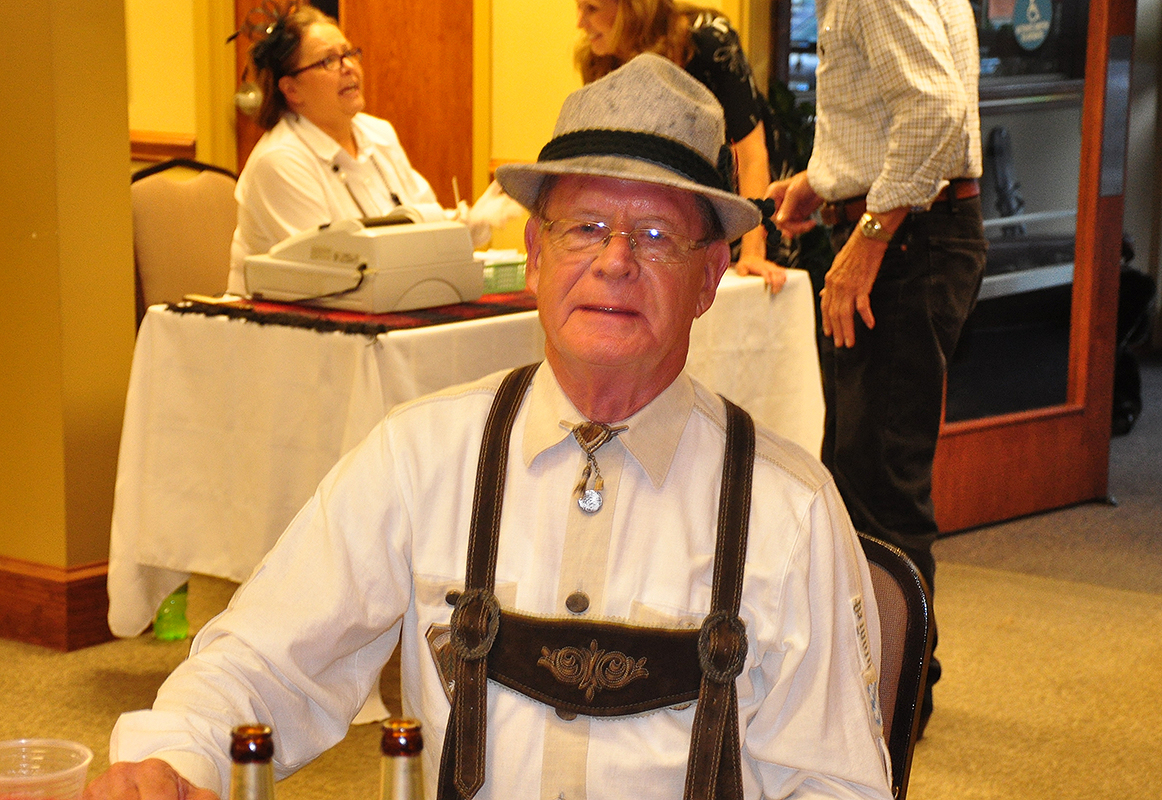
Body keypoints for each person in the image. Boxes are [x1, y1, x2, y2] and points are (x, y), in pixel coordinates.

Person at [85, 54, 892, 800]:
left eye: (654, 236)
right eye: (583, 228)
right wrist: (173, 755)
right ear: (535, 255)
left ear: (711, 276)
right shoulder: (422, 456)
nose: (614, 262)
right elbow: (265, 658)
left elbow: (836, 783)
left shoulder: (790, 511)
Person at [766, 0, 988, 735]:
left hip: (908, 245)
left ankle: (893, 707)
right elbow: (900, 110)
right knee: (860, 476)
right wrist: (823, 182)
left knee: (880, 490)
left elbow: (935, 112)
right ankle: (898, 670)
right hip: (914, 233)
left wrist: (867, 236)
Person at [225, 4, 519, 295]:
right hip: (291, 325)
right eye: (328, 61)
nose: (349, 67)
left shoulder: (378, 134)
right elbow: (328, 272)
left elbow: (423, 225)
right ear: (291, 90)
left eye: (349, 53)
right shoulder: (279, 161)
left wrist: (472, 223)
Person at [575, 0, 787, 293]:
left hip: (747, 217)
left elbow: (751, 157)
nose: (580, 23)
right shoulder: (598, 60)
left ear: (631, 8)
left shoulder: (710, 41)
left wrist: (752, 250)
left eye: (591, 8)